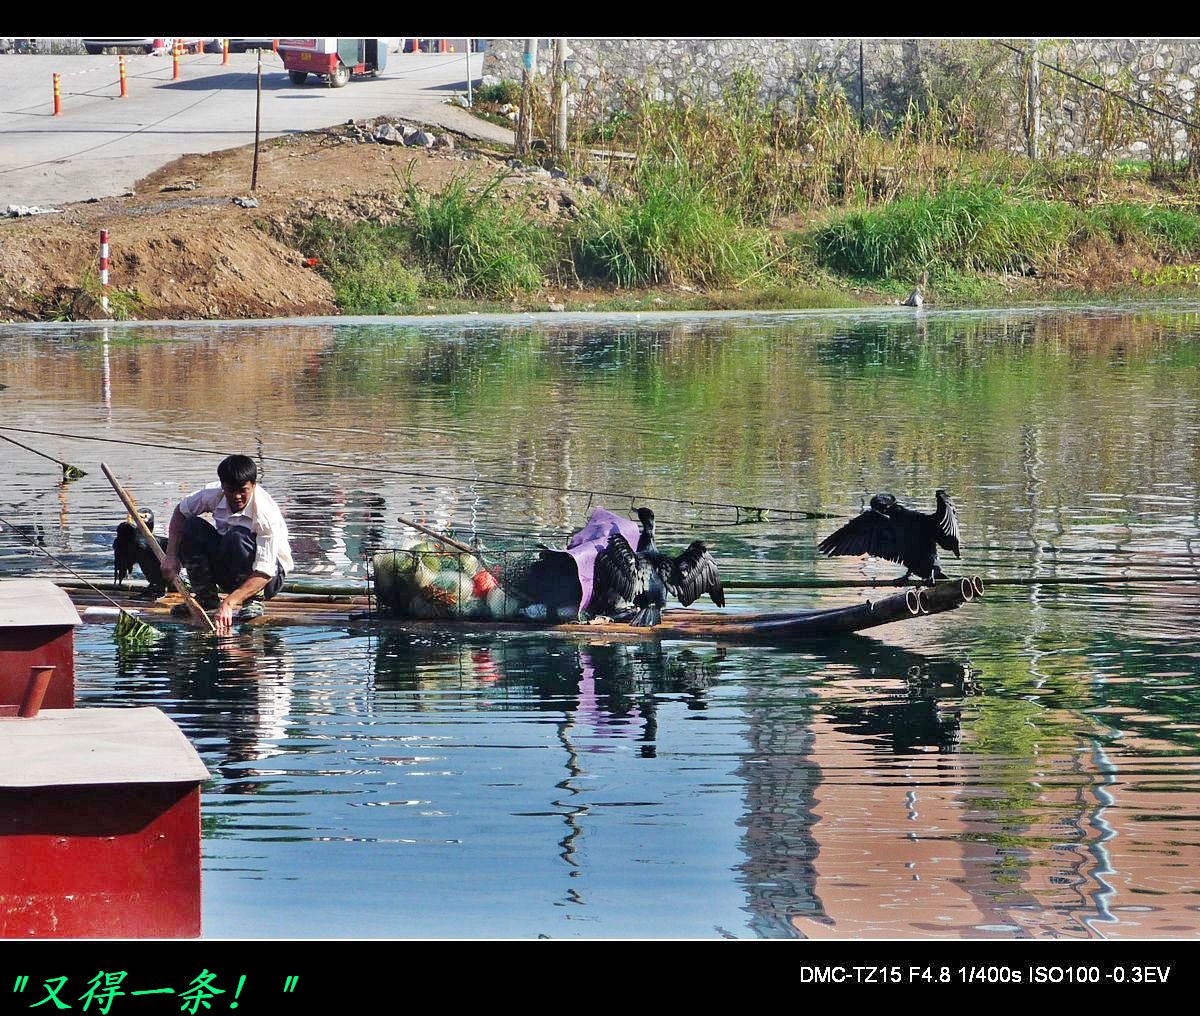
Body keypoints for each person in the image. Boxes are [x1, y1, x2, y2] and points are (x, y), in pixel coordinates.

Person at [161, 454, 293, 632]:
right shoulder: (213, 494)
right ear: (223, 486)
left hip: (267, 579)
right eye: (231, 490)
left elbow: (265, 571)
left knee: (237, 536)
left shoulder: (265, 514)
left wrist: (230, 603)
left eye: (243, 490)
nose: (237, 496)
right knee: (191, 525)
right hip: (230, 566)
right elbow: (181, 512)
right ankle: (206, 598)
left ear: (253, 485)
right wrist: (171, 556)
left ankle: (253, 600)